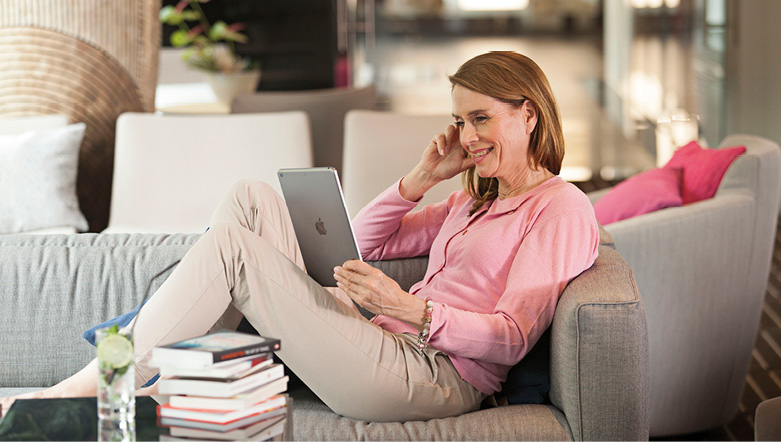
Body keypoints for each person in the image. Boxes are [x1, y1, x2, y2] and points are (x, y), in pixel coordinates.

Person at [1, 51, 599, 421]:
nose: (468, 137)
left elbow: (513, 338)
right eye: (461, 121)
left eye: (482, 118)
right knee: (250, 197)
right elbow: (363, 244)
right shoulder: (473, 199)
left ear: (529, 114)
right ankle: (175, 377)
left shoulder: (560, 209)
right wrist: (419, 180)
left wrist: (412, 311)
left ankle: (99, 382)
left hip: (434, 377)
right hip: (377, 342)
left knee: (234, 250)